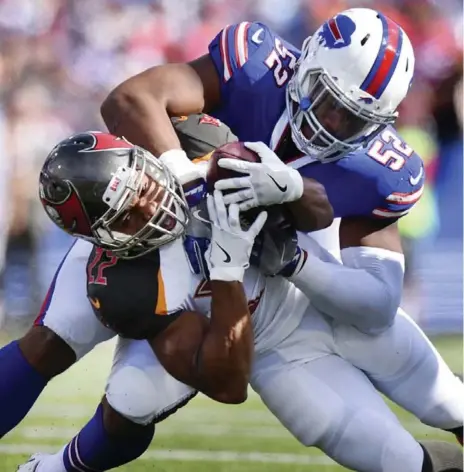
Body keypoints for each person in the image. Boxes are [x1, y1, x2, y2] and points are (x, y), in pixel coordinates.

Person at [19, 131, 464, 472]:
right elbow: (228, 384)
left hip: (325, 295)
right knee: (398, 461)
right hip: (277, 354)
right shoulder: (125, 286)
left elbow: (323, 207)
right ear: (103, 238)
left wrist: (287, 188)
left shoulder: (212, 152)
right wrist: (228, 272)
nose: (151, 206)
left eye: (143, 185)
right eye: (129, 214)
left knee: (450, 404)